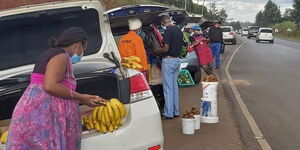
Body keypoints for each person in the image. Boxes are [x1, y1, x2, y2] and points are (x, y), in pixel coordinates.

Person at [6, 27, 106, 150]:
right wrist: (81, 97)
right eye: (83, 49)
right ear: (77, 45)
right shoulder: (60, 56)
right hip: (41, 114)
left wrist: (82, 100)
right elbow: (50, 85)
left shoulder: (54, 53)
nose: (82, 53)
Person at [155, 15, 183, 119]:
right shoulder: (178, 30)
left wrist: (157, 51)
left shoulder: (168, 31)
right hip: (177, 60)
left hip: (168, 60)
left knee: (168, 89)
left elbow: (166, 48)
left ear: (163, 22)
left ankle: (168, 113)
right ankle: (176, 111)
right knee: (174, 87)